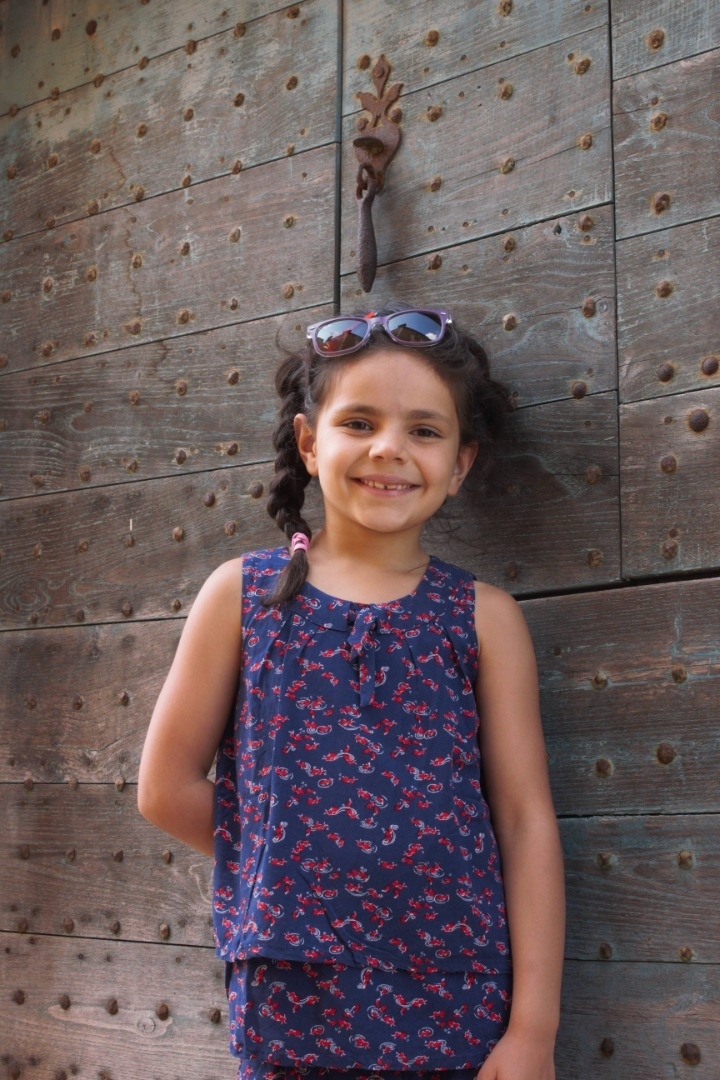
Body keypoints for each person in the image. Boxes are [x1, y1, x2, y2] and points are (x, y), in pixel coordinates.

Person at [138, 306, 565, 1080]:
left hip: (457, 998)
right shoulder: (243, 596)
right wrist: (294, 868)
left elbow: (524, 820)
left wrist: (533, 1028)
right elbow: (164, 789)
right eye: (359, 422)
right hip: (291, 996)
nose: (389, 448)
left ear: (461, 463)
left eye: (424, 431)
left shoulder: (485, 619)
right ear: (309, 442)